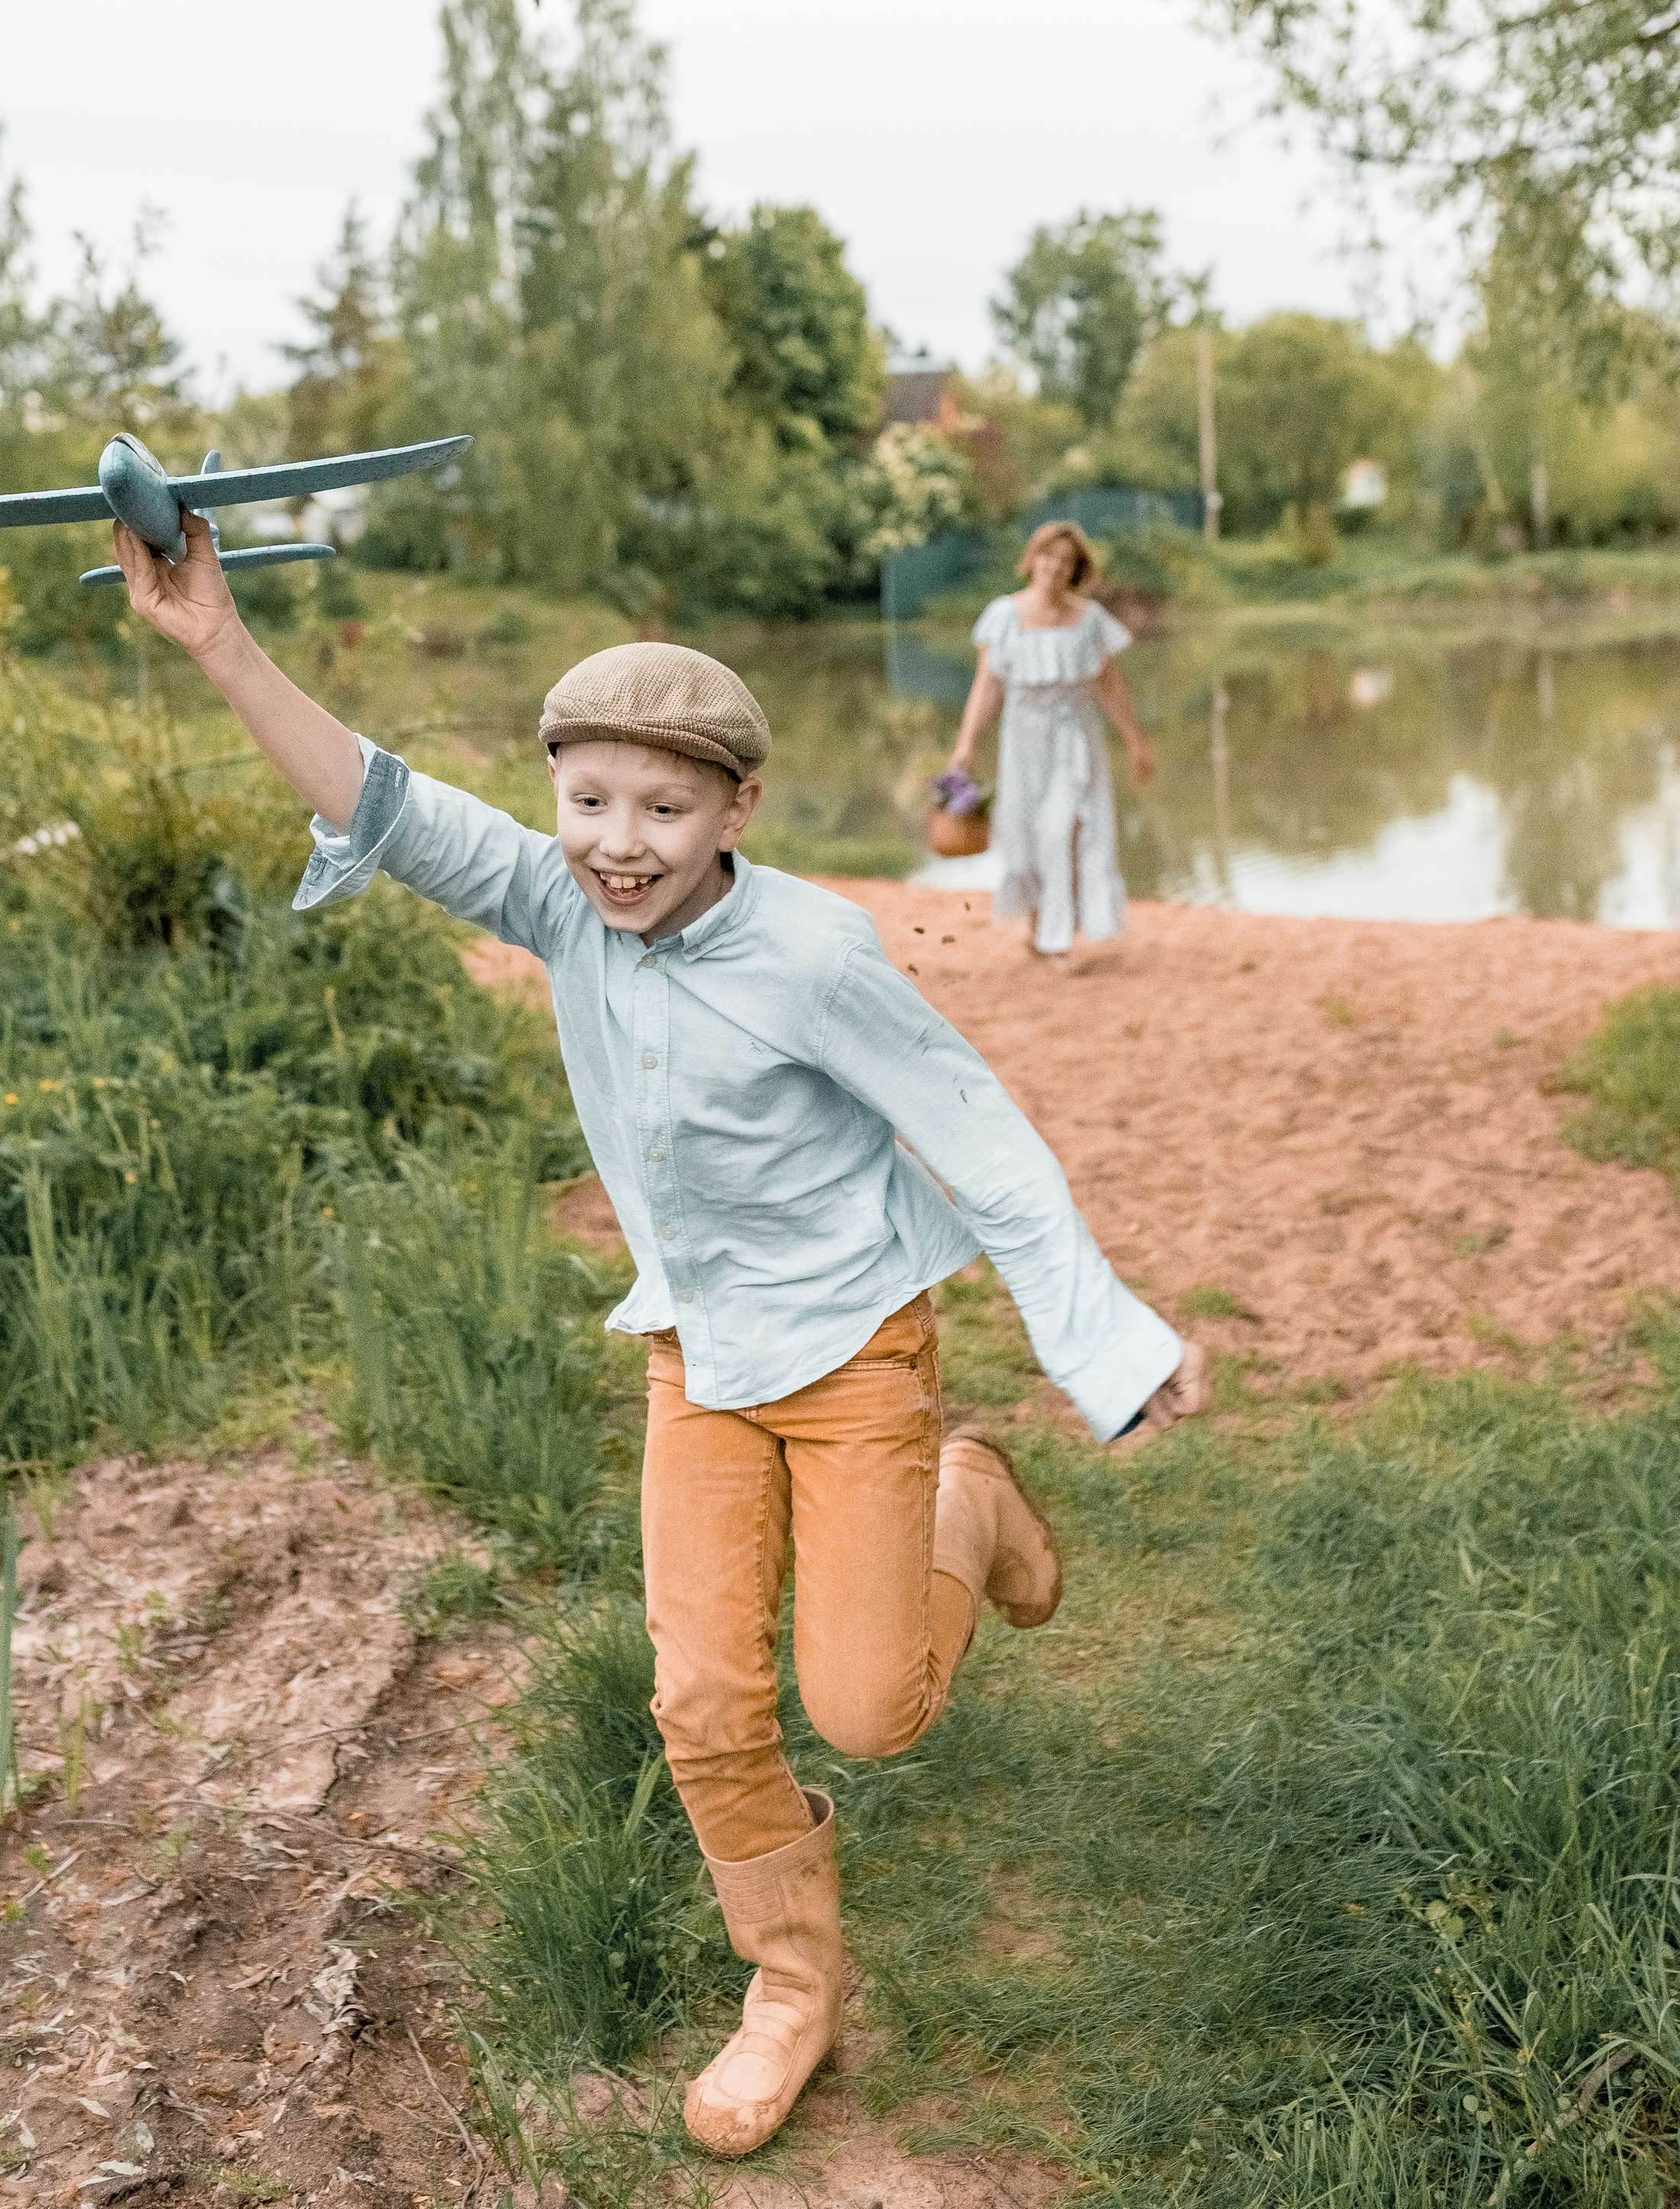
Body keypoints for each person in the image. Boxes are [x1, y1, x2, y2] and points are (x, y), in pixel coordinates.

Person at [112, 512, 1210, 2158]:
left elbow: (977, 1136)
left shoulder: (818, 952)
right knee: (700, 1702)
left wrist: (1105, 1343)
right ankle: (788, 1991)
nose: (617, 843)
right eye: (588, 802)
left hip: (853, 1353)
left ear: (736, 809)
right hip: (694, 1352)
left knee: (865, 1710)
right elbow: (381, 800)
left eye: (663, 808)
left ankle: (962, 1500)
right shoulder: (561, 902)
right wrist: (217, 640)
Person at [948, 518, 1155, 965]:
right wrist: (965, 745)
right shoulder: (1003, 615)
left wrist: (1136, 742)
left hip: (1077, 737)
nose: (1055, 567)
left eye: (1066, 561)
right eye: (1048, 555)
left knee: (1067, 830)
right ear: (1032, 558)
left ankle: (1057, 939)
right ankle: (1039, 925)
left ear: (1076, 570)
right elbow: (987, 687)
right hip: (1022, 739)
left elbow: (1111, 687)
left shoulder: (1090, 620)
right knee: (1024, 834)